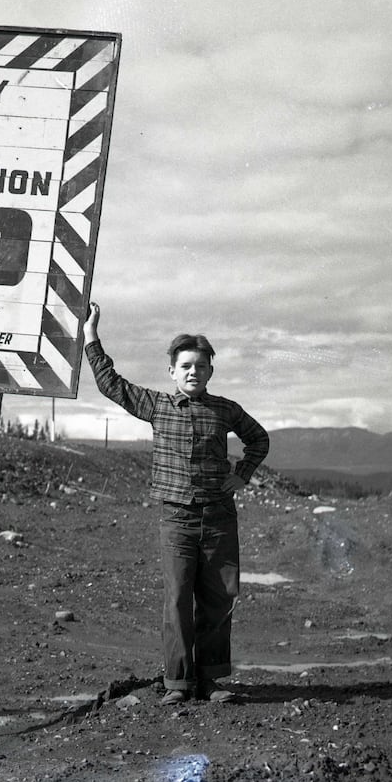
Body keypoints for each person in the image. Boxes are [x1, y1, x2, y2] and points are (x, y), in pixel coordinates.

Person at [83, 302, 269, 705]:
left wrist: (242, 474)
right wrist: (90, 335)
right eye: (185, 366)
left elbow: (259, 438)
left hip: (219, 519)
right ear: (172, 371)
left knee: (219, 599)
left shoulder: (226, 410)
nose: (193, 372)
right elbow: (110, 384)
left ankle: (213, 680)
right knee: (177, 601)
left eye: (200, 366)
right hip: (177, 520)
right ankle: (178, 684)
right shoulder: (157, 406)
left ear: (210, 371)